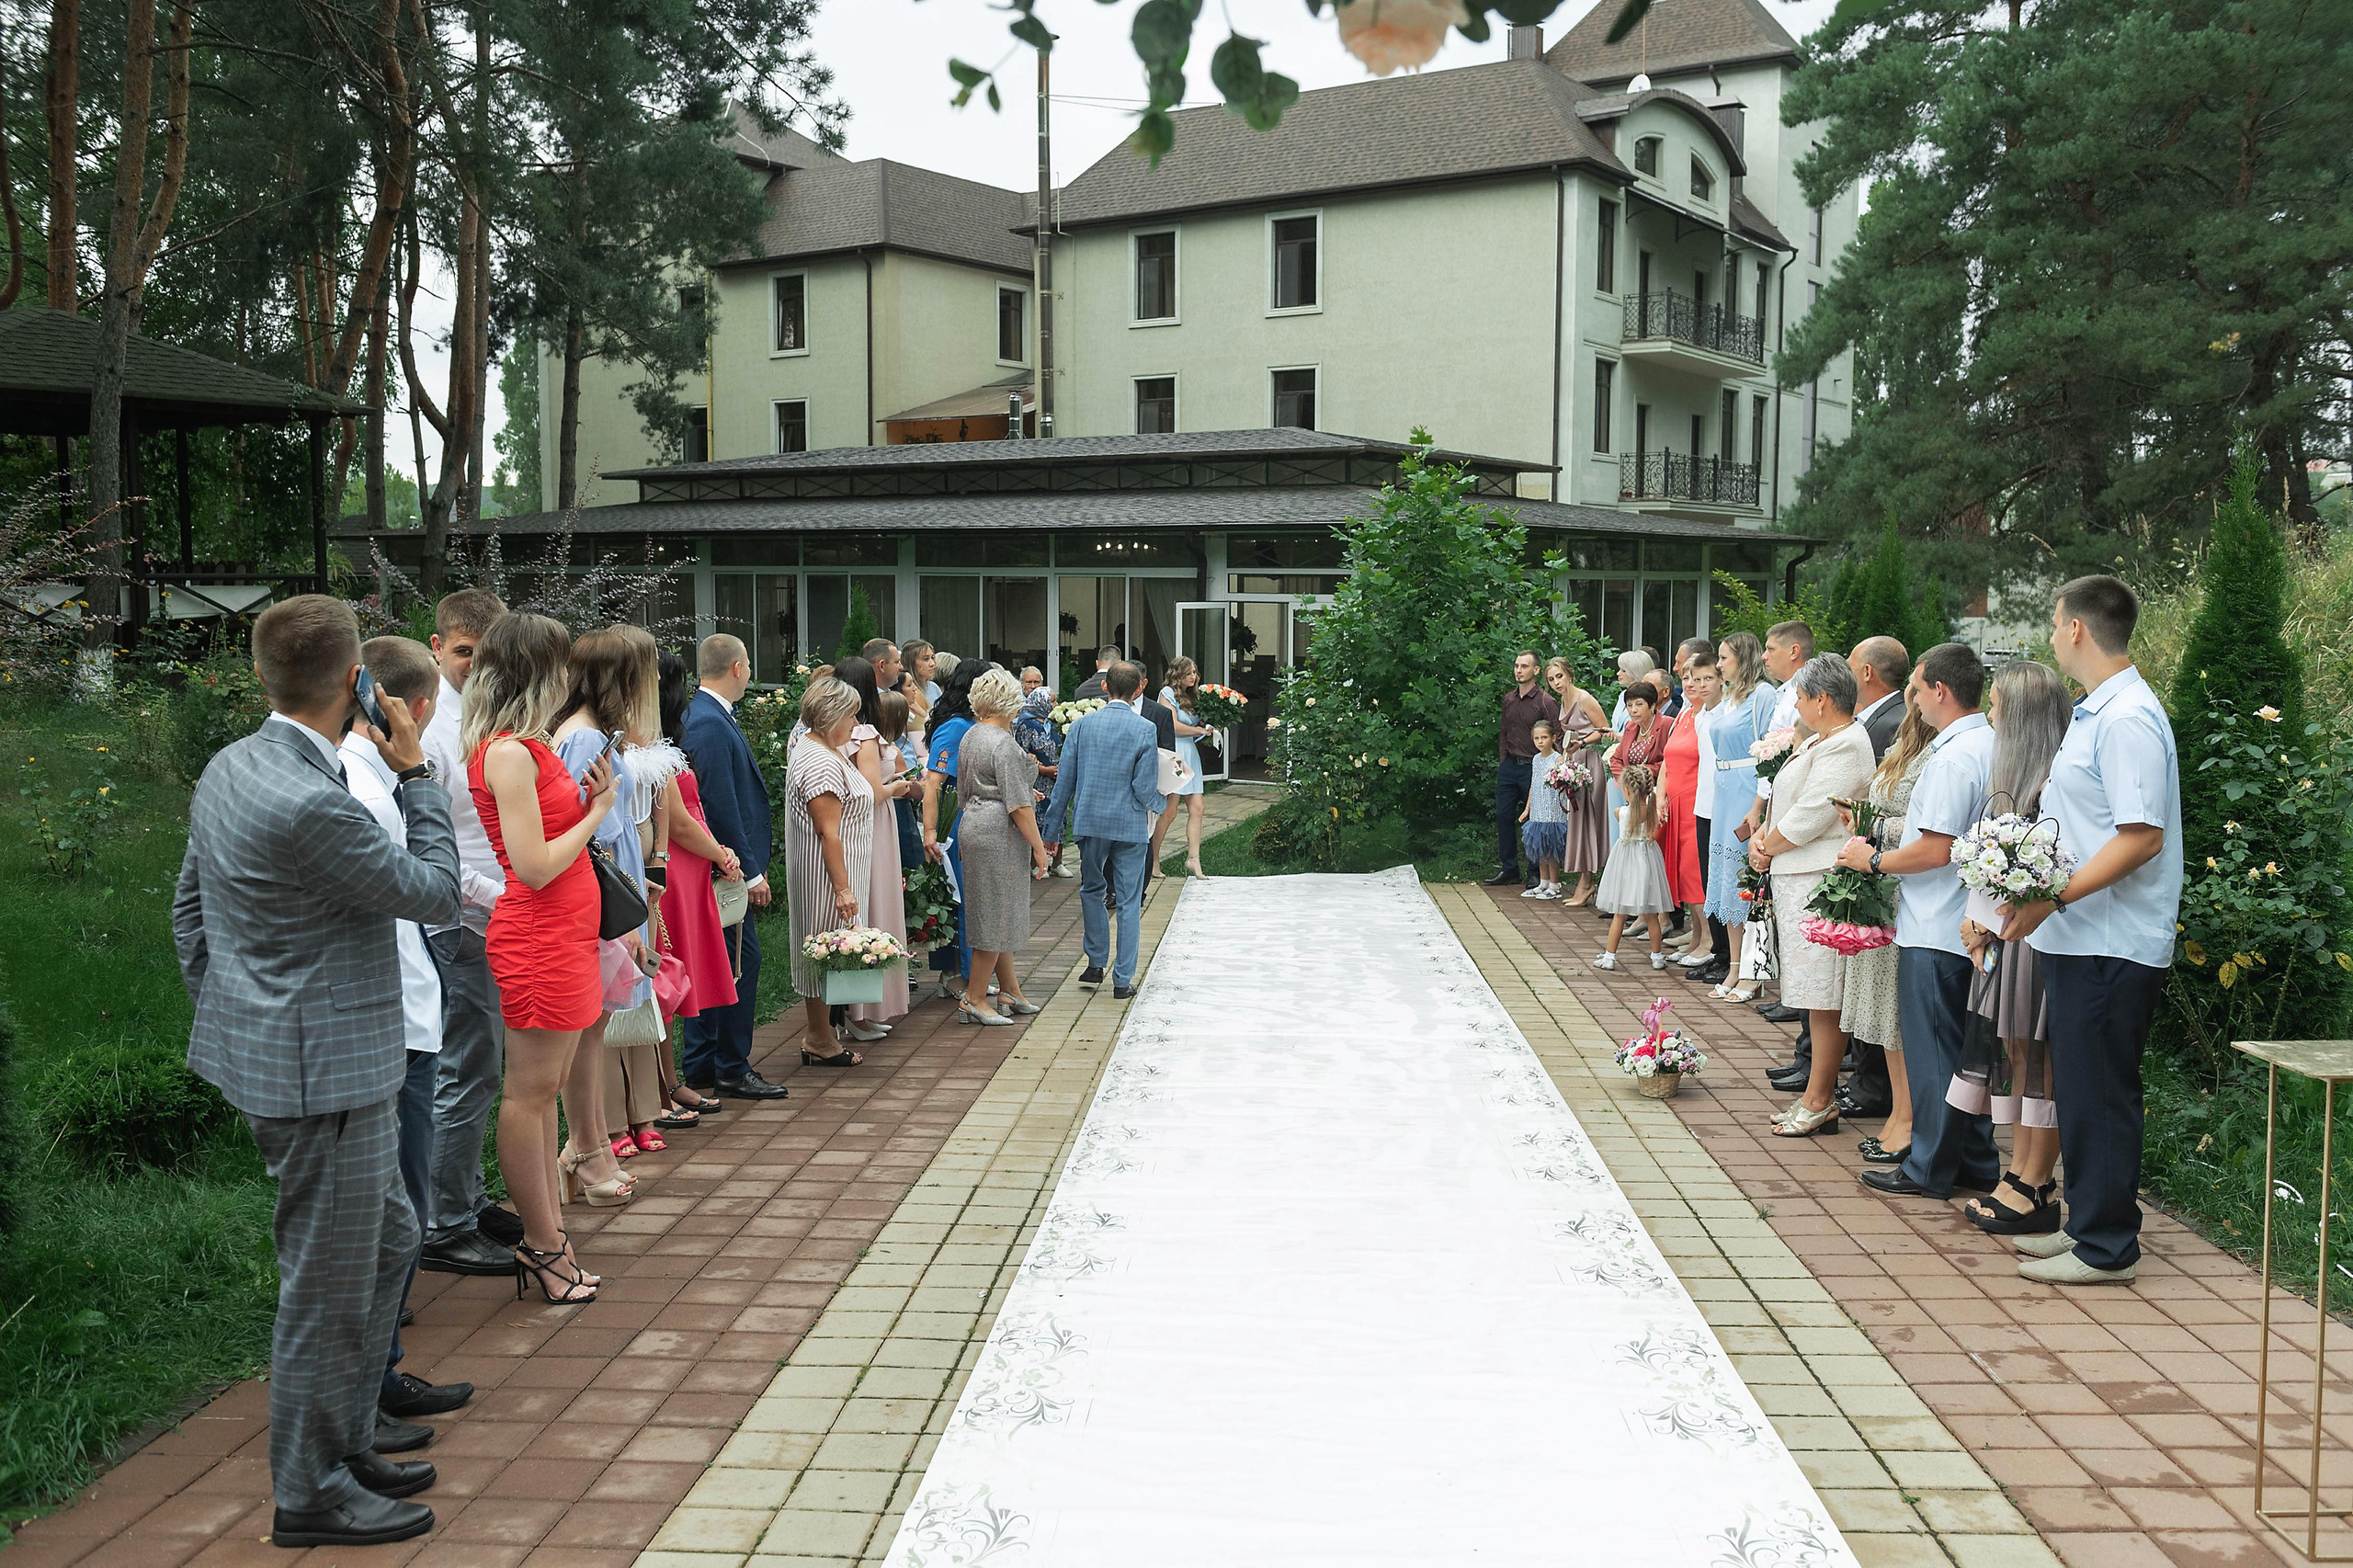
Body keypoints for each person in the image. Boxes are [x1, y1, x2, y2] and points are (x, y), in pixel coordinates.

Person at [176, 596, 460, 1549]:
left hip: (298, 1059)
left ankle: (347, 1433)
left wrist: (236, 1008)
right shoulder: (309, 800)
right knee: (323, 1284)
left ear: (263, 675)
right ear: (358, 683)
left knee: (389, 1233)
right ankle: (309, 1488)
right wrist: (417, 772)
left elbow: (191, 909)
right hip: (324, 1077)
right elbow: (433, 893)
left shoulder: (232, 767)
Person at [2003, 576, 2180, 1286]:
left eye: (2053, 624)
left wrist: (2053, 898)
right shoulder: (2096, 711)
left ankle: (2108, 1247)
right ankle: (2087, 1223)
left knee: (2102, 1090)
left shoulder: (2129, 717)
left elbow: (2141, 838)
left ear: (2077, 629)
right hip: (2081, 936)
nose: (2051, 636)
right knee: (2080, 1087)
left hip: (2112, 937)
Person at [340, 636, 474, 1426]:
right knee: (392, 1215)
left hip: (406, 1016)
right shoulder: (371, 784)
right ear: (412, 711)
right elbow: (434, 891)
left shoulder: (363, 776)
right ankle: (369, 1383)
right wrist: (420, 776)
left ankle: (380, 1369)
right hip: (391, 1026)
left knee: (399, 1211)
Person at [467, 612, 615, 1305]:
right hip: (538, 939)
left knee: (544, 1091)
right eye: (559, 663)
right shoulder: (507, 752)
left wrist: (584, 801)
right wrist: (596, 813)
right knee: (528, 1097)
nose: (567, 676)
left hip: (565, 935)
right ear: (535, 670)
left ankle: (548, 1238)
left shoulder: (530, 745)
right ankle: (542, 1244)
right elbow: (531, 867)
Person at [1836, 642, 1999, 1201]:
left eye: (1918, 690)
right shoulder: (1986, 742)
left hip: (1936, 920)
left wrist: (1873, 859)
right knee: (1960, 1052)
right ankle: (1976, 1159)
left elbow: (1936, 849)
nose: (1914, 701)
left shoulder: (1951, 757)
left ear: (1941, 691)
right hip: (1963, 918)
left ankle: (1928, 1166)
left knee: (1933, 1054)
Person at [415, 588, 522, 1276]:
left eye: (486, 655)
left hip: (497, 911)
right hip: (462, 921)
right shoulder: (430, 734)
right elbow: (428, 846)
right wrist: (498, 897)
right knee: (467, 1070)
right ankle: (442, 1224)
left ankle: (464, 1194)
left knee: (484, 1067)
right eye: (463, 653)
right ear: (437, 648)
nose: (474, 666)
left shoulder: (484, 715)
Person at [1947, 661, 2072, 1233]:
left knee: (2037, 1054)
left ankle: (2037, 1179)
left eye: (1997, 704)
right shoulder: (2013, 781)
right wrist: (1976, 924)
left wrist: (1992, 923)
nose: (1989, 712)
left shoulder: (2053, 785)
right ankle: (2019, 1169)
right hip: (2005, 936)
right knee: (2016, 1051)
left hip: (2039, 937)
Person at [1748, 654, 1876, 1138]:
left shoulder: (1846, 744)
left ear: (1822, 699)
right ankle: (1814, 1097)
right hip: (1798, 874)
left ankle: (1820, 1098)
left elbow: (1813, 812)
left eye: (1800, 697)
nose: (1796, 705)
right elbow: (1790, 802)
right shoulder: (1823, 740)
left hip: (1820, 879)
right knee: (1813, 994)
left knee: (1825, 995)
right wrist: (1765, 839)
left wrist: (1766, 844)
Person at [550, 628, 654, 1201]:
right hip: (600, 904)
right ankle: (586, 1149)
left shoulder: (586, 734)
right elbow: (599, 839)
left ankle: (586, 1148)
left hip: (600, 898)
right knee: (587, 1037)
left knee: (593, 1034)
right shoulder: (587, 740)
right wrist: (630, 926)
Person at [679, 634, 787, 1102]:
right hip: (723, 867)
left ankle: (704, 1064)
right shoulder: (708, 722)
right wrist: (750, 870)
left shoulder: (709, 716)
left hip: (718, 863)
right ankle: (729, 1066)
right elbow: (719, 805)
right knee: (741, 962)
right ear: (739, 668)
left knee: (719, 963)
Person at [1835, 697, 1937, 1167]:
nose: (1913, 698)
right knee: (1881, 1005)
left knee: (1895, 1009)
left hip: (1901, 884)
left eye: (1918, 688)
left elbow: (1927, 828)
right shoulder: (1904, 744)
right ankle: (1900, 1109)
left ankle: (1910, 1116)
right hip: (1880, 883)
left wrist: (1873, 826)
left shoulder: (1940, 752)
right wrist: (1859, 815)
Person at [652, 651, 742, 1123]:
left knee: (673, 981)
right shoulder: (652, 747)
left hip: (686, 869)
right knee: (665, 978)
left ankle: (670, 1081)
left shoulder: (666, 741)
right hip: (674, 870)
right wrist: (721, 854)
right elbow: (681, 822)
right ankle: (662, 1086)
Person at [1042, 661, 1167, 999]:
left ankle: (1096, 962)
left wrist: (1051, 832)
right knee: (1128, 902)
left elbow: (1064, 781)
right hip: (1129, 825)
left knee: (1092, 889)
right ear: (1138, 689)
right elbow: (1143, 787)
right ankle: (1123, 980)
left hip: (1091, 822)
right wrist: (1161, 802)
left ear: (1103, 687)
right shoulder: (1145, 729)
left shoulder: (1082, 726)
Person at [785, 677, 878, 1066]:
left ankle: (822, 1033)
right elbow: (829, 833)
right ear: (830, 717)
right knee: (826, 950)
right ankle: (819, 1038)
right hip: (828, 875)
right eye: (851, 714)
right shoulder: (821, 761)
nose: (856, 722)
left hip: (832, 869)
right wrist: (842, 889)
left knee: (827, 950)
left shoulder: (817, 746)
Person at [954, 669, 1052, 1023]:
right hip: (999, 831)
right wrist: (1040, 850)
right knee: (996, 915)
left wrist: (1022, 791)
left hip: (975, 823)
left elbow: (966, 790)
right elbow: (1019, 807)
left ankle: (1010, 990)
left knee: (997, 911)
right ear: (1009, 701)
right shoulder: (1003, 743)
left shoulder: (971, 735)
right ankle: (975, 997)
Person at [834, 655, 918, 1047]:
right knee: (874, 907)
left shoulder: (823, 732)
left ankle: (854, 1010)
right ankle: (861, 1011)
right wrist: (899, 788)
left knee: (867, 909)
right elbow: (870, 791)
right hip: (873, 826)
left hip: (852, 826)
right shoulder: (863, 732)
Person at [1704, 632, 1779, 1004]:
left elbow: (1769, 752)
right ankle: (1734, 965)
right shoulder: (1730, 697)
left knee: (1747, 883)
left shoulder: (1762, 696)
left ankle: (1753, 970)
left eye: (1724, 658)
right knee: (1727, 886)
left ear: (1742, 659)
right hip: (1723, 789)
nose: (1718, 665)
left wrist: (1759, 805)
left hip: (1747, 789)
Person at [921, 657, 995, 994]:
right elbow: (933, 783)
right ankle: (961, 977)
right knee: (964, 900)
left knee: (970, 898)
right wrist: (931, 831)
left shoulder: (969, 723)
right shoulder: (954, 728)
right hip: (955, 820)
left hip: (967, 816)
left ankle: (964, 975)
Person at [1677, 663, 1734, 983]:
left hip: (1722, 806)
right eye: (1694, 679)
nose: (1700, 685)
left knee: (1723, 882)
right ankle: (1719, 953)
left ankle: (1727, 954)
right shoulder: (1699, 716)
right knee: (1708, 881)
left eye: (1707, 678)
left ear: (1721, 680)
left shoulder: (1728, 712)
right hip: (1703, 804)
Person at [1542, 656, 1614, 906]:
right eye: (1551, 679)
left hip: (1588, 762)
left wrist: (1582, 743)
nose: (1556, 682)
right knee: (1578, 821)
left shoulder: (1584, 698)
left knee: (1587, 821)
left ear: (1569, 674)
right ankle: (1585, 882)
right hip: (1573, 760)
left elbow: (1605, 730)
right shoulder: (1563, 700)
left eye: (1559, 677)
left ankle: (1587, 883)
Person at [1487, 650, 1562, 888]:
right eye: (1517, 666)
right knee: (1504, 816)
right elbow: (1504, 731)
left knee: (1535, 818)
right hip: (1510, 766)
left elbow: (1556, 734)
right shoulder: (1509, 699)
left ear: (1536, 671)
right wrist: (1503, 760)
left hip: (1536, 766)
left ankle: (1535, 872)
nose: (1519, 670)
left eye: (1525, 666)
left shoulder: (1545, 701)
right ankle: (1509, 868)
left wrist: (1552, 764)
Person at [1593, 758, 1675, 970]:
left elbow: (1622, 815)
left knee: (1620, 914)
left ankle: (1610, 957)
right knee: (1651, 915)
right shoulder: (1653, 814)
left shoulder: (1621, 812)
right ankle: (1657, 957)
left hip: (1625, 863)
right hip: (1648, 862)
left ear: (1628, 790)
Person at [1657, 666, 1706, 939]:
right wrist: (1660, 795)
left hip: (1694, 802)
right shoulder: (1684, 714)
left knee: (1694, 872)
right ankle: (1696, 935)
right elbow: (1667, 759)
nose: (1690, 684)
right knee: (1680, 871)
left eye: (1698, 679)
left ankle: (1708, 938)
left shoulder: (1709, 717)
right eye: (1686, 679)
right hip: (1674, 801)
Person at [1155, 655, 1212, 879]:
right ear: (1177, 674)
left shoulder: (1193, 696)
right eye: (1188, 673)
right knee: (1169, 811)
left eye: (1195, 672)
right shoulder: (1167, 693)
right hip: (1175, 754)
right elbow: (1173, 726)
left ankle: (1194, 859)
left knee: (1198, 808)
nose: (1193, 677)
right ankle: (1153, 859)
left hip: (1190, 752)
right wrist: (1201, 732)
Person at [1518, 720, 1570, 900]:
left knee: (1551, 849)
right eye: (1536, 738)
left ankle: (1554, 885)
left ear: (1553, 738)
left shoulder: (1558, 759)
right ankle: (1543, 882)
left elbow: (1564, 784)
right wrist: (1527, 808)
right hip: (1538, 810)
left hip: (1553, 810)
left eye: (1544, 737)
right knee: (1540, 849)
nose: (1540, 742)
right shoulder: (1535, 759)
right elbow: (1534, 783)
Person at [904, 639, 940, 707]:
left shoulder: (934, 688)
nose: (933, 664)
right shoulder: (907, 692)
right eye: (926, 659)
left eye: (933, 658)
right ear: (911, 663)